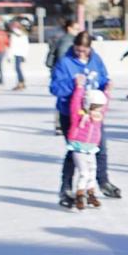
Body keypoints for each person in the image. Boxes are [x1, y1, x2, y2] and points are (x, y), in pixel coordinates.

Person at [49, 31, 120, 201]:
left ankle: (103, 181)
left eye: (84, 50)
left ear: (90, 48)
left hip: (94, 115)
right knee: (76, 151)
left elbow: (102, 79)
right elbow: (55, 88)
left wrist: (107, 86)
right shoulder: (65, 63)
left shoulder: (96, 60)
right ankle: (65, 187)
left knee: (100, 149)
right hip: (72, 115)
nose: (81, 53)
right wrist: (74, 85)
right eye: (78, 50)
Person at [64, 74, 107, 210]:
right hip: (79, 147)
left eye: (101, 107)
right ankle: (80, 195)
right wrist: (79, 87)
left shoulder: (98, 117)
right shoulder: (80, 115)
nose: (99, 110)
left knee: (93, 171)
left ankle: (91, 194)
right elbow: (75, 103)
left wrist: (108, 92)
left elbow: (105, 107)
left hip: (91, 148)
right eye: (96, 107)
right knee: (84, 173)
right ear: (89, 106)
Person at [8, 22, 29, 91]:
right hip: (20, 53)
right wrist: (24, 55)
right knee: (17, 68)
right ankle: (21, 82)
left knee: (17, 68)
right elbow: (26, 45)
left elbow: (12, 46)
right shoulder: (23, 34)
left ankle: (21, 82)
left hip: (17, 53)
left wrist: (9, 56)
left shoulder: (15, 34)